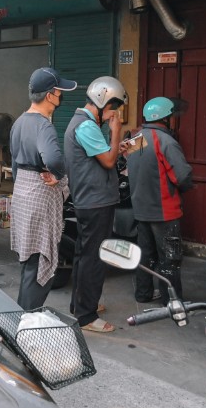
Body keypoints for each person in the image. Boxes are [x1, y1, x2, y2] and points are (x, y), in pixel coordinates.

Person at [10, 67, 76, 311]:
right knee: (39, 263)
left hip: (22, 194)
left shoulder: (19, 122)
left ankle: (21, 316)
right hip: (40, 194)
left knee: (29, 261)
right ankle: (26, 321)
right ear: (50, 95)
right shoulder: (43, 125)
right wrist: (58, 176)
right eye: (59, 92)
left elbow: (15, 161)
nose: (60, 97)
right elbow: (54, 159)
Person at [64, 76, 126, 333]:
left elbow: (103, 156)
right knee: (95, 257)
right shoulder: (86, 127)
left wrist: (115, 146)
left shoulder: (84, 125)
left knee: (85, 254)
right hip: (95, 201)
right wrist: (116, 133)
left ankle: (80, 305)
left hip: (90, 200)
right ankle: (87, 316)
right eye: (113, 109)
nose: (113, 115)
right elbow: (109, 162)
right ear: (102, 101)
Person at [124, 96, 194, 304]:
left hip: (141, 209)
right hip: (164, 211)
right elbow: (181, 176)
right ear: (167, 118)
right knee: (170, 258)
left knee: (145, 255)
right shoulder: (167, 142)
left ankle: (143, 294)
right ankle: (172, 300)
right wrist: (187, 186)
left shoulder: (136, 140)